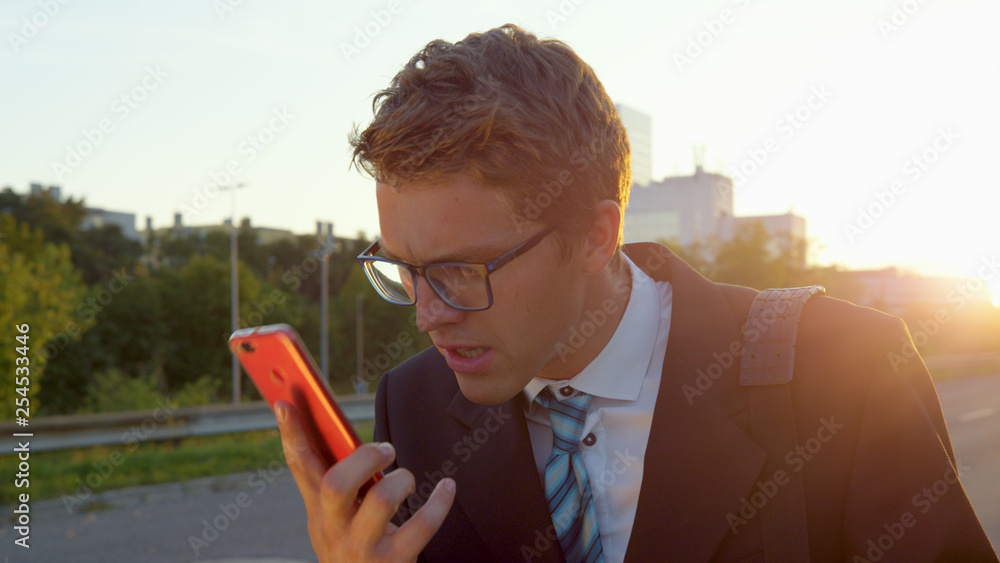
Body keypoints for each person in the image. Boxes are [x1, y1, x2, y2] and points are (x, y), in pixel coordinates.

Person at [274, 24, 997, 562]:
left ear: (595, 235)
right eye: (402, 267)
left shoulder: (846, 371)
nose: (429, 313)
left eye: (463, 271)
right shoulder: (415, 405)